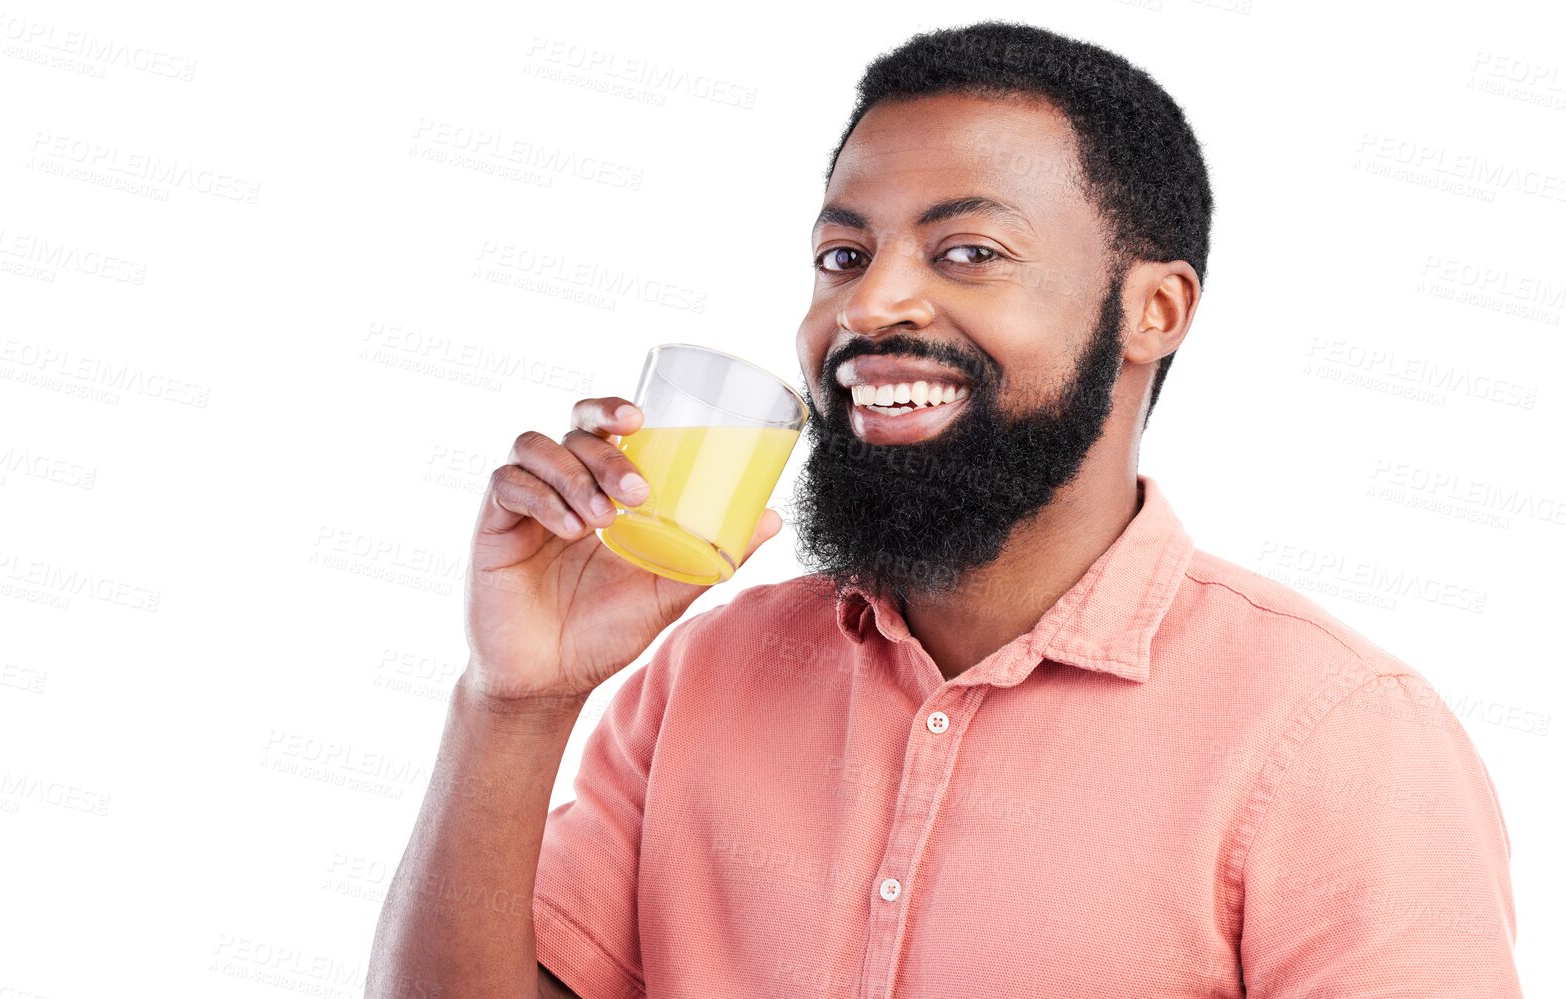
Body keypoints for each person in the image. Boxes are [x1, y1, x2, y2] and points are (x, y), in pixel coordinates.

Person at [368, 20, 1521, 998]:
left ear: (1154, 310)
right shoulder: (698, 677)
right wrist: (513, 702)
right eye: (841, 253)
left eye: (967, 250)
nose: (871, 304)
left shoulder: (1336, 734)